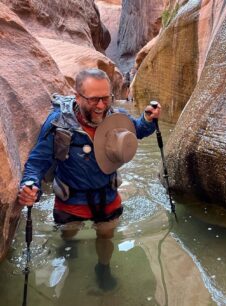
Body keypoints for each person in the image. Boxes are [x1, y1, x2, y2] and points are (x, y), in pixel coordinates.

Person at [18, 68, 161, 291]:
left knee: (106, 235)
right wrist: (30, 185)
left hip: (107, 195)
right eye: (94, 99)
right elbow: (38, 161)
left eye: (106, 98)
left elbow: (137, 131)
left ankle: (103, 268)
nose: (101, 106)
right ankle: (69, 252)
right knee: (69, 234)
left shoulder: (114, 118)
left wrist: (147, 119)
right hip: (69, 199)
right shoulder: (59, 123)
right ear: (77, 97)